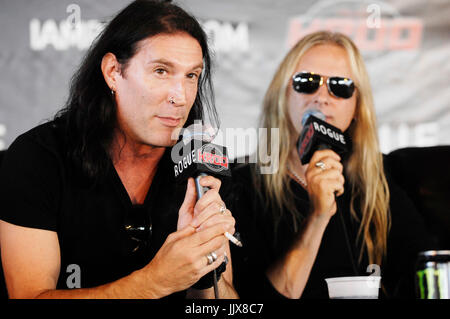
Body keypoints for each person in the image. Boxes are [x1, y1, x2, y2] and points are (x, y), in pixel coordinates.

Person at [0, 0, 238, 299]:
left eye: (191, 75)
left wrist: (203, 268)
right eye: (162, 71)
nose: (180, 96)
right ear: (113, 71)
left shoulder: (202, 165)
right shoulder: (39, 158)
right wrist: (154, 282)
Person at [228, 31, 436, 299]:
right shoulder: (243, 185)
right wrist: (318, 216)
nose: (322, 97)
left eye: (341, 85)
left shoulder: (381, 177)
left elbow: (426, 276)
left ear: (357, 104)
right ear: (283, 95)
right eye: (307, 82)